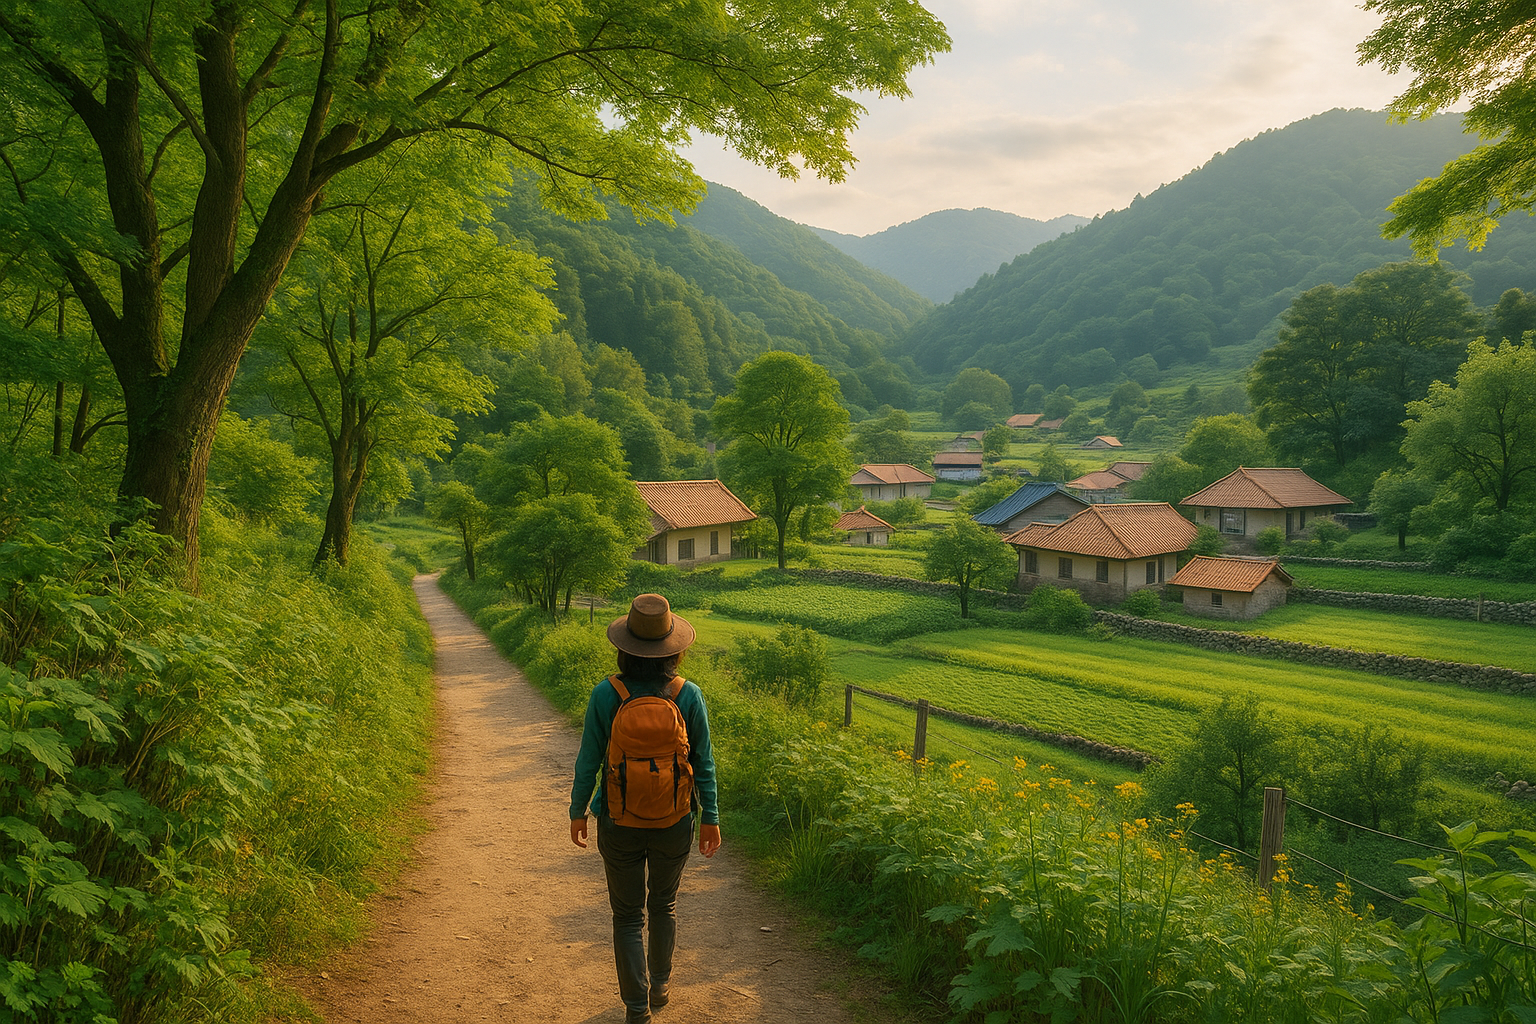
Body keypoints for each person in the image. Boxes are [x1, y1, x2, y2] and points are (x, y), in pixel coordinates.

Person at [570, 593, 722, 1024]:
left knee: (626, 915)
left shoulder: (607, 693)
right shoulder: (687, 694)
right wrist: (710, 817)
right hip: (675, 818)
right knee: (663, 905)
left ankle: (636, 1009)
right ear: (675, 649)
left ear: (624, 646)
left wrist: (578, 809)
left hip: (618, 819)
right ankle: (659, 986)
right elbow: (703, 762)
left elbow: (589, 757)